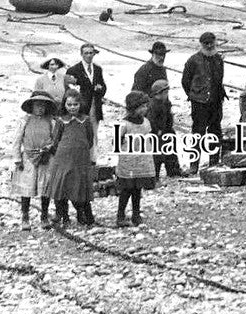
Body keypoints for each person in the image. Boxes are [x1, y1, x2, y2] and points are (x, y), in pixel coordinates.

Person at [46, 88, 96, 227]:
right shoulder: (61, 121)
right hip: (63, 158)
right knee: (62, 186)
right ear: (64, 105)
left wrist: (82, 148)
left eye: (75, 104)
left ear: (80, 104)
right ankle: (63, 215)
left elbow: (90, 139)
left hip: (80, 158)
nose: (72, 107)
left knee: (79, 186)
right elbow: (56, 139)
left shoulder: (85, 120)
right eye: (69, 105)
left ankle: (83, 215)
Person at [11, 90, 59, 230]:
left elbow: (55, 139)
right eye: (37, 105)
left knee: (45, 188)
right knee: (27, 188)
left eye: (43, 106)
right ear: (31, 106)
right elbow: (17, 140)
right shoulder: (24, 121)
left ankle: (44, 216)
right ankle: (25, 217)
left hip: (46, 158)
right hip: (28, 158)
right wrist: (17, 159)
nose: (40, 108)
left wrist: (50, 148)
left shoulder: (51, 121)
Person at [181, 32, 225, 174]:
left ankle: (213, 162)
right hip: (199, 103)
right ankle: (194, 165)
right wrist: (194, 95)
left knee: (215, 132)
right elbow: (185, 81)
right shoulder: (193, 60)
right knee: (198, 133)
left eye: (212, 42)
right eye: (206, 43)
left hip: (216, 102)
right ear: (201, 44)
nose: (210, 45)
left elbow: (219, 79)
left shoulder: (218, 59)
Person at [115, 92, 156, 227]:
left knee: (137, 190)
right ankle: (120, 215)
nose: (145, 109)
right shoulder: (124, 124)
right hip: (128, 164)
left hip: (141, 163)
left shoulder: (146, 122)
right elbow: (116, 142)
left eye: (146, 106)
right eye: (142, 106)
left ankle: (136, 214)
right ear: (134, 107)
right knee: (126, 190)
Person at [67, 44, 107, 159]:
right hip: (81, 108)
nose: (89, 55)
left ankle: (92, 159)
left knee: (93, 133)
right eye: (86, 53)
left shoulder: (98, 69)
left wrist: (100, 89)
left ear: (94, 54)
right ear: (81, 54)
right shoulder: (73, 70)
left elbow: (103, 86)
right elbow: (69, 91)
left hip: (95, 106)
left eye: (91, 53)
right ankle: (79, 159)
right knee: (79, 133)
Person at [147, 79, 181, 178]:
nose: (167, 94)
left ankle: (173, 171)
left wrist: (169, 127)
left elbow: (168, 116)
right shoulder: (154, 105)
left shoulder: (165, 103)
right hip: (157, 133)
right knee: (157, 154)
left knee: (170, 153)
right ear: (159, 93)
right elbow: (151, 120)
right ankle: (155, 174)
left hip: (166, 131)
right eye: (165, 92)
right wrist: (157, 130)